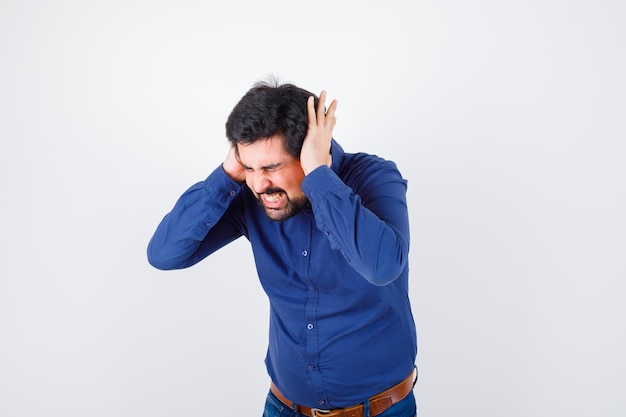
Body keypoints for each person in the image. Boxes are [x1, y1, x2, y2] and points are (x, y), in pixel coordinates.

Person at [147, 79, 418, 417]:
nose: (260, 184)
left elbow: (382, 266)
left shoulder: (374, 176)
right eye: (249, 167)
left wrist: (319, 175)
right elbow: (164, 254)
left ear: (310, 150)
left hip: (378, 410)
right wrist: (228, 175)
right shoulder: (253, 193)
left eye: (271, 168)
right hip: (283, 406)